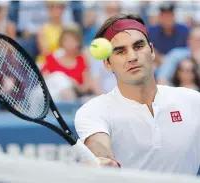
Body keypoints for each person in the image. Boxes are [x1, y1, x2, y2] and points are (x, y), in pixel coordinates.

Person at [74, 14, 200, 175]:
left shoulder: (193, 101)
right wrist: (103, 160)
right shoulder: (93, 111)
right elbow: (99, 146)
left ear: (152, 51)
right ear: (107, 64)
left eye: (138, 46)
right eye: (120, 52)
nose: (132, 57)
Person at [41, 25, 96, 102]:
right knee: (59, 77)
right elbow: (43, 81)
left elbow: (86, 87)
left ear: (79, 42)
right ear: (61, 42)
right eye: (66, 40)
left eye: (73, 40)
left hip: (73, 98)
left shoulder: (82, 60)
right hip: (51, 97)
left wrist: (73, 84)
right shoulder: (52, 58)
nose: (69, 43)